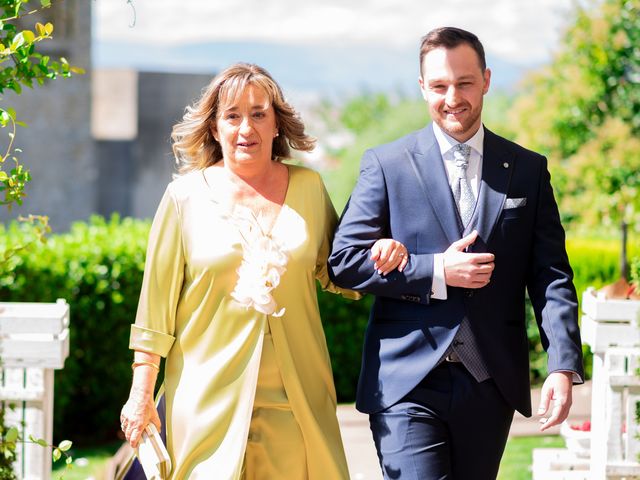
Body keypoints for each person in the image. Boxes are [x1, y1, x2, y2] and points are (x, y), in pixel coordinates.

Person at [328, 27, 584, 479]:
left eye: (464, 83)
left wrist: (562, 365)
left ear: (486, 80)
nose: (452, 98)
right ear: (423, 86)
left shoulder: (527, 170)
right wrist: (435, 270)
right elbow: (345, 262)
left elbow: (550, 275)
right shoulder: (386, 164)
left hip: (490, 383)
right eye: (440, 86)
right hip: (406, 382)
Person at [118, 62, 360, 479]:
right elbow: (154, 309)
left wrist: (388, 250)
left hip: (296, 401)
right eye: (232, 116)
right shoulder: (183, 198)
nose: (245, 128)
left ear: (276, 125)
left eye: (258, 114)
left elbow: (342, 269)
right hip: (207, 398)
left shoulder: (310, 189)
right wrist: (141, 392)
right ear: (214, 128)